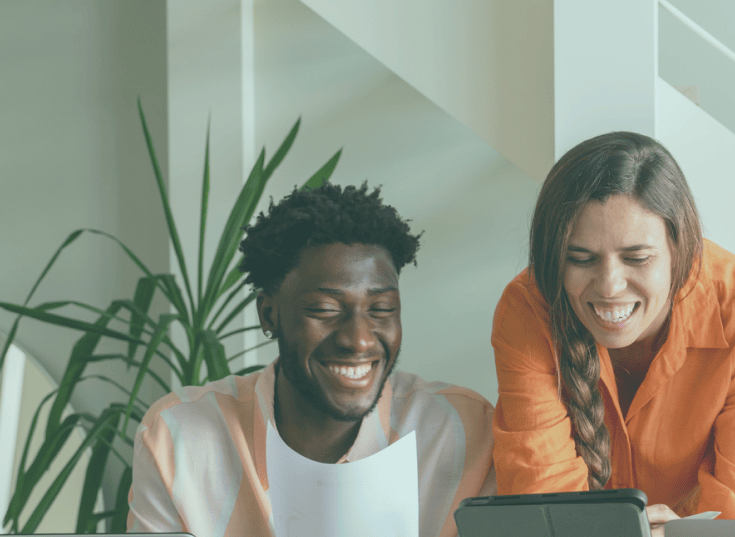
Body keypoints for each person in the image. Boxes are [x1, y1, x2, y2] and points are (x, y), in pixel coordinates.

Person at [128, 183, 495, 537]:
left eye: (381, 309)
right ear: (269, 314)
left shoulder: (463, 432)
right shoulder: (180, 437)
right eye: (324, 309)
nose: (359, 339)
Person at [490, 131, 735, 528]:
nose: (610, 285)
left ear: (680, 249)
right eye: (580, 259)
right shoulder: (527, 310)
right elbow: (545, 507)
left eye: (637, 258)